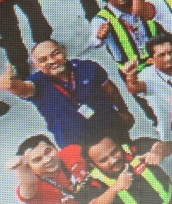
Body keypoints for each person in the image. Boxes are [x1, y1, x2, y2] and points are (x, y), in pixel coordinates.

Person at [0, 40, 134, 148]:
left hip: (112, 129)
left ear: (64, 51)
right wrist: (11, 85)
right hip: (76, 144)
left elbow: (109, 89)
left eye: (55, 53)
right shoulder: (36, 83)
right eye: (43, 60)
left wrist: (123, 111)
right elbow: (23, 88)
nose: (52, 61)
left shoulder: (88, 67)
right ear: (36, 66)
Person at [8, 134, 93, 204]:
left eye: (48, 151)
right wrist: (20, 167)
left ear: (55, 148)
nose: (47, 160)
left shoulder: (72, 152)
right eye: (37, 160)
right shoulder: (32, 188)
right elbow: (28, 182)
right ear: (30, 168)